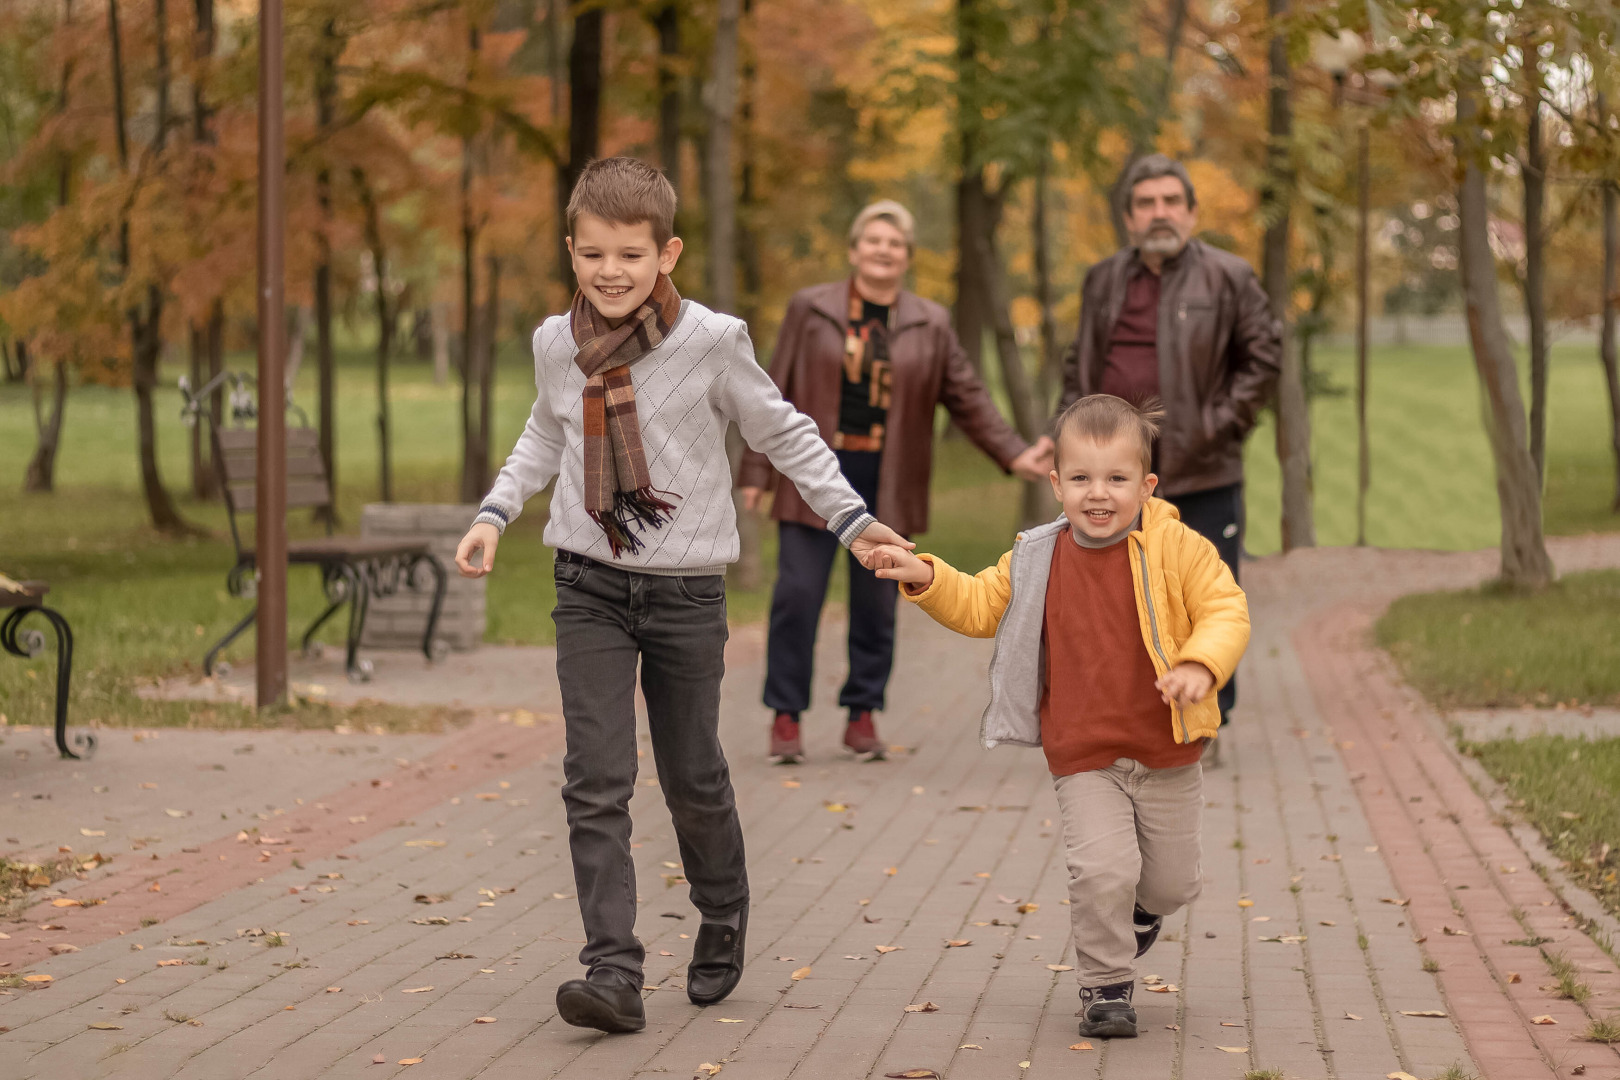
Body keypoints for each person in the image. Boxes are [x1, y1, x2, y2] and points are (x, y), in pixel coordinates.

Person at [453, 158, 911, 1035]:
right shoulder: (558, 341)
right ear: (571, 251)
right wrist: (494, 512)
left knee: (691, 773)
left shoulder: (712, 339)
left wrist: (854, 524)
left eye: (630, 253)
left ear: (668, 253)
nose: (610, 271)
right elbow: (543, 434)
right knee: (596, 777)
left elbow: (786, 434)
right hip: (586, 582)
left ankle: (723, 907)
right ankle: (613, 972)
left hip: (686, 595)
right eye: (592, 254)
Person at [868, 394, 1250, 1040]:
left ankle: (1137, 912)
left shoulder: (1179, 548)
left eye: (1116, 479)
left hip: (1168, 750)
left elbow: (1224, 610)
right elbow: (980, 604)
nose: (1097, 494)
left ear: (1146, 484)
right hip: (1084, 754)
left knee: (1169, 885)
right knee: (1100, 869)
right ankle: (1106, 987)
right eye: (1081, 479)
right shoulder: (1038, 556)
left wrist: (1200, 665)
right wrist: (925, 574)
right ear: (1056, 484)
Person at [738, 200, 1051, 764]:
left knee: (877, 604)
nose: (883, 250)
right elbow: (772, 392)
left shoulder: (929, 322)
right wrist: (756, 470)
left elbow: (968, 396)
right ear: (855, 250)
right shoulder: (810, 309)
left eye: (895, 243)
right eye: (873, 240)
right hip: (815, 476)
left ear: (907, 257)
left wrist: (1016, 454)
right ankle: (786, 716)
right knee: (797, 596)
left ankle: (862, 713)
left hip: (888, 479)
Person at [1052, 154, 1279, 733]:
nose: (1160, 213)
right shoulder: (1103, 279)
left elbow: (1264, 359)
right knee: (1117, 599)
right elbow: (1080, 365)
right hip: (1113, 478)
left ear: (1192, 212)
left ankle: (1210, 721)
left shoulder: (1229, 276)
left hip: (1202, 470)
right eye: (1147, 203)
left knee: (1206, 597)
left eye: (1171, 202)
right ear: (1129, 218)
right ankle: (1131, 715)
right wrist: (1070, 442)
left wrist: (1216, 427)